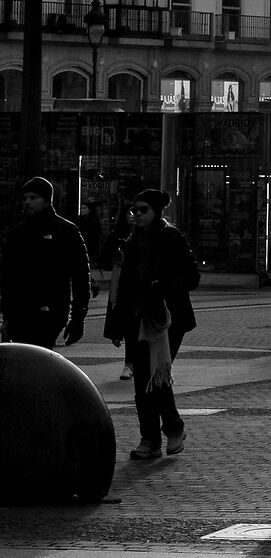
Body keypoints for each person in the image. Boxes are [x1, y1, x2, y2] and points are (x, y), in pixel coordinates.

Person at [105, 187, 199, 460]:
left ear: (157, 211)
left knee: (155, 374)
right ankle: (152, 437)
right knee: (143, 381)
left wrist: (163, 287)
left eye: (143, 209)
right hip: (138, 317)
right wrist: (117, 326)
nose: (137, 214)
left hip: (166, 319)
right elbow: (120, 286)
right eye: (134, 210)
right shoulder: (130, 242)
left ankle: (169, 430)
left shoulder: (171, 237)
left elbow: (191, 276)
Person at [0, 175, 91, 348]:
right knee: (25, 357)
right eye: (25, 198)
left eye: (33, 197)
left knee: (38, 353)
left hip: (51, 310)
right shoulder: (18, 232)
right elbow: (8, 277)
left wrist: (78, 317)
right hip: (21, 311)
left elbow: (80, 276)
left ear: (47, 200)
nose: (27, 202)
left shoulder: (66, 231)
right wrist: (7, 315)